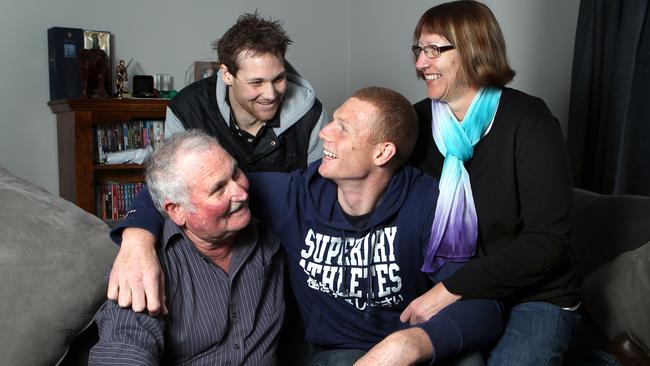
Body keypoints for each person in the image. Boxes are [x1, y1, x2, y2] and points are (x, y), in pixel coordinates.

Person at [108, 87, 505, 365]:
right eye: (332, 121)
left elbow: (485, 303)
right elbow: (178, 188)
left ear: (383, 152)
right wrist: (136, 239)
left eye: (342, 128)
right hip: (341, 353)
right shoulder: (293, 195)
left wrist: (410, 344)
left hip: (422, 343)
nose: (324, 132)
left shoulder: (432, 204)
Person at [407, 1, 582, 365]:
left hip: (535, 293)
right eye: (418, 50)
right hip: (457, 286)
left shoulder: (529, 119)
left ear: (473, 49)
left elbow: (548, 242)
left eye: (434, 49)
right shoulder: (415, 121)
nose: (421, 63)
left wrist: (451, 289)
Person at [89, 130, 285, 365]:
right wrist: (136, 239)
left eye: (235, 172)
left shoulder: (274, 228)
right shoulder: (144, 267)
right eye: (219, 189)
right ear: (177, 210)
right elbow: (124, 346)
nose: (241, 193)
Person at [164, 12, 328, 173]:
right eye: (256, 82)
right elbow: (177, 189)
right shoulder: (185, 110)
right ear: (227, 75)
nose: (271, 95)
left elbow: (320, 191)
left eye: (278, 79)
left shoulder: (312, 114)